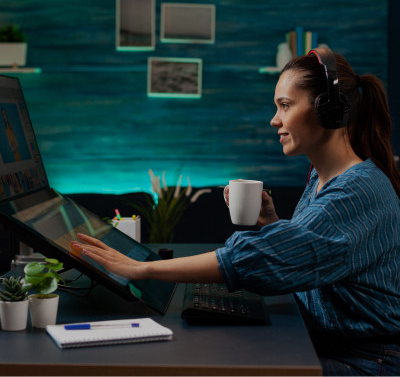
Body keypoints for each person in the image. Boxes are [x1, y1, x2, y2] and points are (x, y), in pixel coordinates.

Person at [70, 50, 400, 376]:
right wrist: (272, 223)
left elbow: (258, 258)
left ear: (327, 111)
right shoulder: (322, 177)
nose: (275, 120)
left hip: (365, 361)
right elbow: (314, 255)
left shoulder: (357, 191)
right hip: (321, 343)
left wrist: (142, 269)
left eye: (284, 105)